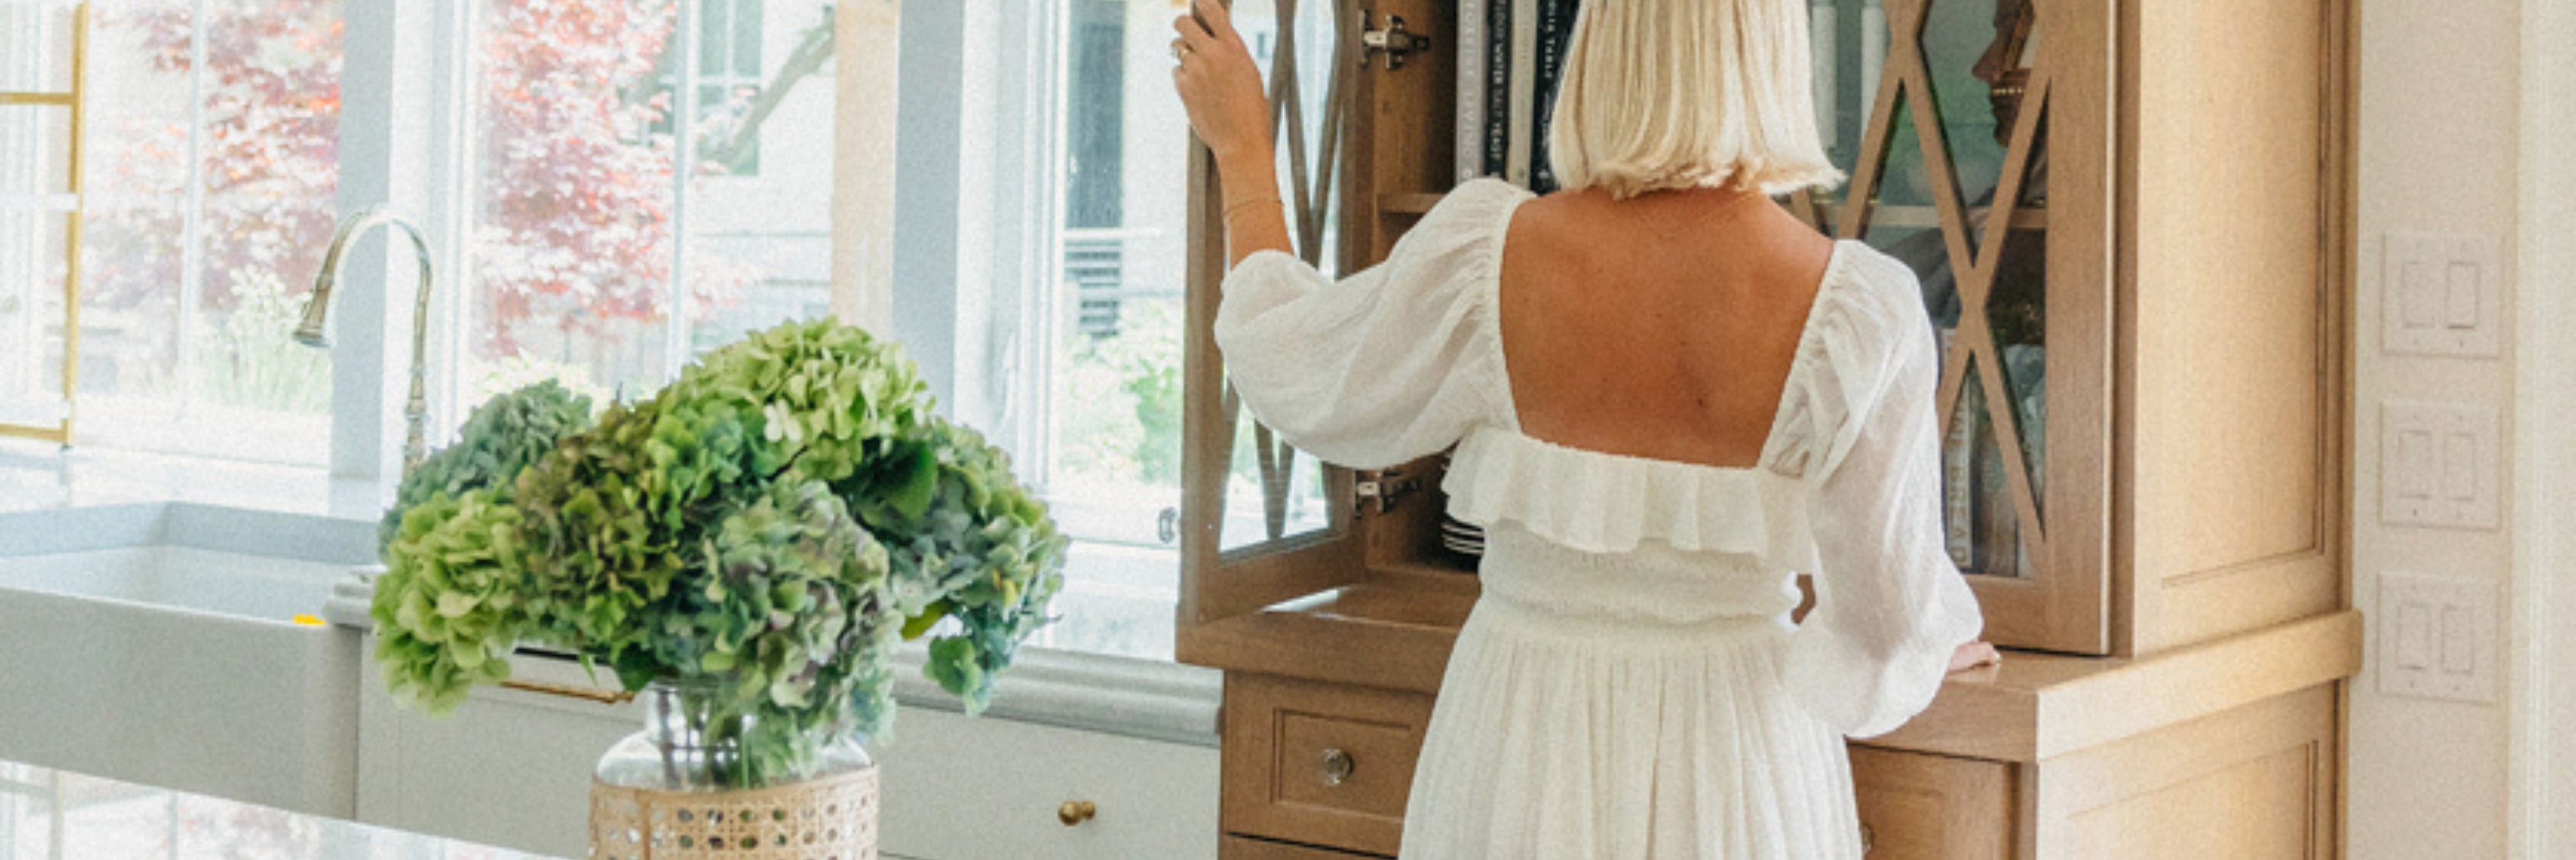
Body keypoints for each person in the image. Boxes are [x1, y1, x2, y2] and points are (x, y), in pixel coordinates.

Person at [1171, 0, 1996, 855]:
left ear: (1598, 46)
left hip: (1519, 734)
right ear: (1774, 55)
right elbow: (1883, 630)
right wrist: (1922, 647)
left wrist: (1243, 151)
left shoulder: (1485, 252)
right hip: (1735, 757)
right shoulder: (1860, 310)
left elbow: (1296, 368)